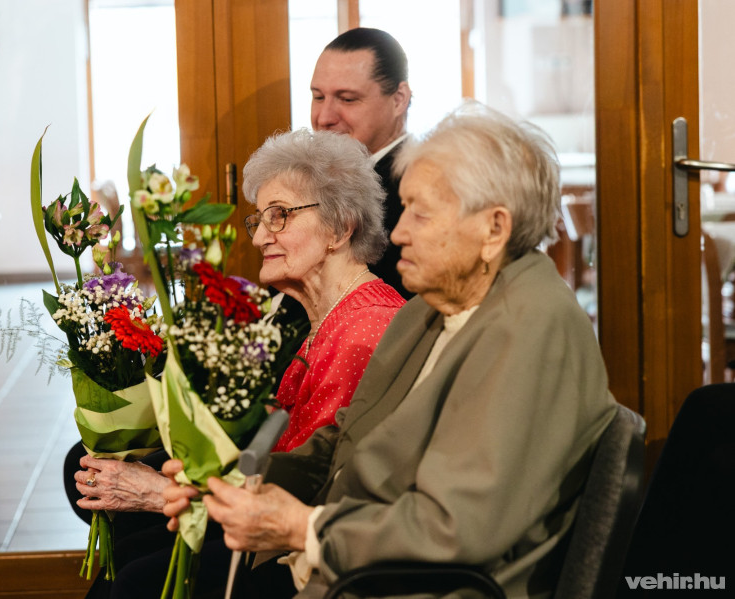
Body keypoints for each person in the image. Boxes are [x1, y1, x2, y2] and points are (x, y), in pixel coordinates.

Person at [162, 101, 619, 599]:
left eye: (420, 214)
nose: (398, 232)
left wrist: (302, 527)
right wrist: (234, 482)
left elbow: (453, 529)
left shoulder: (527, 329)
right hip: (362, 562)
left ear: (494, 229)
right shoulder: (429, 308)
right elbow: (346, 439)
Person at [70, 129, 406, 597]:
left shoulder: (362, 330)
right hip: (264, 525)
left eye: (280, 215)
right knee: (127, 552)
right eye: (259, 220)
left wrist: (161, 494)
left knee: (134, 580)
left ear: (340, 227)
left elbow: (312, 488)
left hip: (305, 558)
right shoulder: (326, 317)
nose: (262, 236)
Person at [310, 27, 413, 299]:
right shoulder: (318, 179)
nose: (324, 117)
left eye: (347, 99)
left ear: (398, 99)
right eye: (318, 97)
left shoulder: (415, 187)